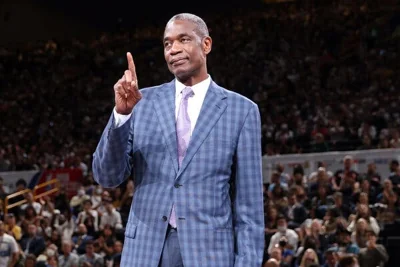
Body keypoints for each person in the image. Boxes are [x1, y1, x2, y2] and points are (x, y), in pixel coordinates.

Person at [92, 12, 264, 266]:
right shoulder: (140, 103)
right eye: (167, 43)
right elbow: (107, 176)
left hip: (209, 254)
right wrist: (121, 115)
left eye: (183, 39)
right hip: (145, 253)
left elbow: (249, 207)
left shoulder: (241, 110)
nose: (173, 49)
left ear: (206, 44)